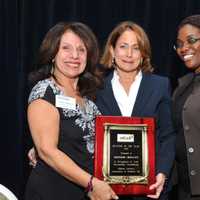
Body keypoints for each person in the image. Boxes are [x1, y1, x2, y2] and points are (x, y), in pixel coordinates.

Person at [25, 21, 119, 200]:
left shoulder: (89, 96)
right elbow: (47, 151)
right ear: (53, 53)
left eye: (81, 49)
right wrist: (91, 183)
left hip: (85, 191)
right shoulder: (45, 91)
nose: (74, 55)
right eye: (66, 48)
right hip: (53, 192)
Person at [95, 21, 176, 200]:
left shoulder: (160, 85)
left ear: (143, 53)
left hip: (151, 189)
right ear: (112, 50)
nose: (129, 54)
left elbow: (168, 135)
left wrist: (162, 173)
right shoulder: (95, 88)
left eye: (136, 48)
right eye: (123, 46)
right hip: (106, 191)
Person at [172, 14, 200, 200]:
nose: (184, 48)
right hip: (184, 190)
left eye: (191, 40)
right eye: (179, 44)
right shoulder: (181, 86)